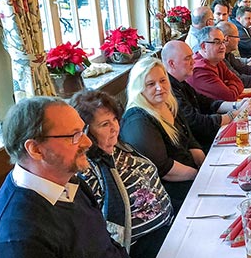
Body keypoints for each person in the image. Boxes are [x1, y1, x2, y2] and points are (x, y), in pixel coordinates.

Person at [0, 97, 128, 257]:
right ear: (35, 149)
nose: (88, 143)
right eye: (74, 136)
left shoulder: (67, 180)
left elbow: (104, 243)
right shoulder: (16, 238)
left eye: (83, 131)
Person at [70, 90, 173, 258]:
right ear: (86, 132)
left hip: (167, 221)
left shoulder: (119, 148)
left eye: (115, 120)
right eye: (104, 124)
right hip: (141, 244)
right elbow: (102, 229)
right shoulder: (88, 171)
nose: (114, 128)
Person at [120, 57, 205, 210]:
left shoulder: (167, 103)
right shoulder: (138, 120)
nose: (160, 87)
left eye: (163, 80)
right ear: (138, 88)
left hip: (189, 174)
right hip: (169, 193)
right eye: (151, 84)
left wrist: (204, 165)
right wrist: (200, 176)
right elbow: (164, 169)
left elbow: (189, 139)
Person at [161, 40, 251, 152]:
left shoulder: (181, 82)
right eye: (187, 59)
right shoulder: (169, 89)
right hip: (198, 146)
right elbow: (196, 122)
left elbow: (207, 102)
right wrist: (234, 115)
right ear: (172, 63)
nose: (193, 62)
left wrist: (237, 105)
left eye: (192, 57)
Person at [186, 26, 245, 101]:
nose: (223, 47)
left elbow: (239, 82)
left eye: (223, 42)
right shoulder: (199, 70)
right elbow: (230, 97)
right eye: (217, 42)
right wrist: (229, 84)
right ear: (203, 46)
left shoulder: (216, 60)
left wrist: (229, 85)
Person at [217, 21, 251, 88]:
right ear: (227, 39)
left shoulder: (228, 54)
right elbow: (239, 79)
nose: (239, 39)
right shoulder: (219, 57)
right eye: (237, 36)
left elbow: (243, 68)